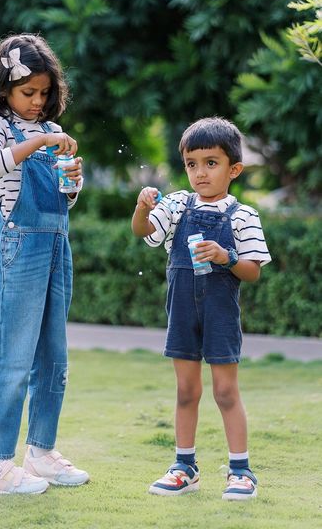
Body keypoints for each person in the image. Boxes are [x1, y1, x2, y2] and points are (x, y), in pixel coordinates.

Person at [0, 33, 89, 494]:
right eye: (28, 93)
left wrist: (73, 179)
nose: (37, 102)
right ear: (4, 90)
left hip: (57, 247)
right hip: (19, 249)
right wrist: (37, 144)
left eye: (44, 94)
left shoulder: (48, 129)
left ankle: (40, 453)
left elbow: (63, 200)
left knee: (53, 359)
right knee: (12, 359)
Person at [132, 117, 271, 501]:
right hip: (182, 313)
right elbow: (143, 232)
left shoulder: (244, 216)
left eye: (211, 163)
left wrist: (226, 257)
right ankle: (184, 467)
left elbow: (253, 272)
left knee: (226, 392)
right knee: (185, 390)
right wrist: (143, 208)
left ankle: (241, 471)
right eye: (192, 164)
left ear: (234, 169)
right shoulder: (177, 204)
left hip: (220, 314)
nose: (200, 173)